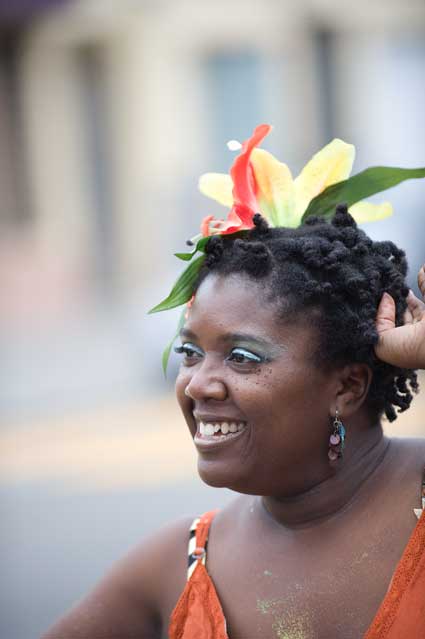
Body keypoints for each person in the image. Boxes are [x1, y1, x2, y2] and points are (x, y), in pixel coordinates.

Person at [42, 128, 425, 639]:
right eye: (189, 353)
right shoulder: (173, 566)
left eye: (242, 357)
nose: (199, 384)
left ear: (348, 387)